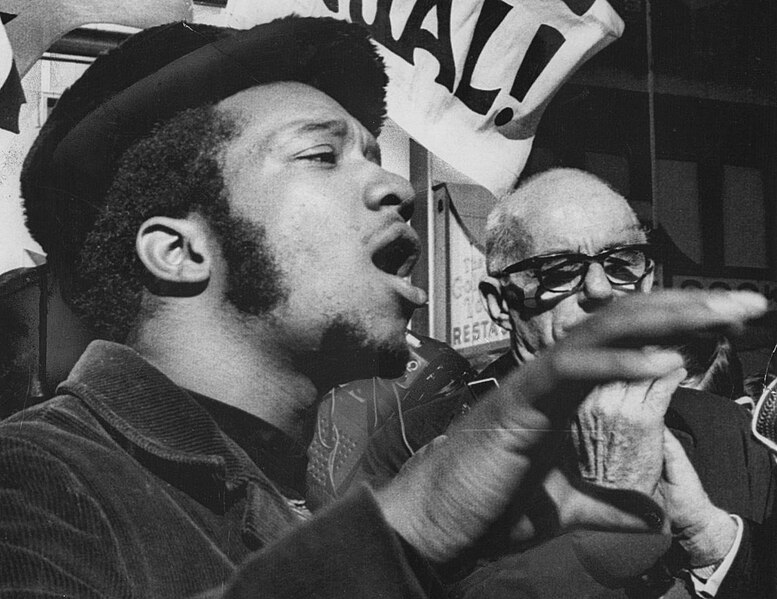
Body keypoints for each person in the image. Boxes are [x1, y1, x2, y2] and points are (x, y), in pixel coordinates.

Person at [0, 19, 767, 598]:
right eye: (321, 154)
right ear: (179, 250)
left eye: (372, 153)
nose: (395, 187)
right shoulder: (34, 479)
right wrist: (406, 527)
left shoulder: (285, 493)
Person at [361, 168, 777, 598]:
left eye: (621, 263)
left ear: (647, 281)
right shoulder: (414, 444)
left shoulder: (728, 433)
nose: (600, 290)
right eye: (558, 270)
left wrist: (713, 545)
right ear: (500, 303)